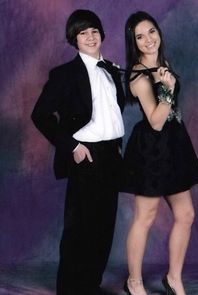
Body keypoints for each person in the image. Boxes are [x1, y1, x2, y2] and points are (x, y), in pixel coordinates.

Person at [31, 9, 125, 295]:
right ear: (74, 39)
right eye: (83, 33)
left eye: (94, 30)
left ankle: (90, 285)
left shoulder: (111, 70)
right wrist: (73, 145)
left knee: (104, 224)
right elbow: (41, 115)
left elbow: (112, 111)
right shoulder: (65, 74)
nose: (90, 36)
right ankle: (70, 289)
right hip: (85, 154)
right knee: (79, 226)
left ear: (102, 34)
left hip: (111, 155)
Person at [122, 11, 198, 295]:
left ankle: (173, 278)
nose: (148, 40)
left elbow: (169, 117)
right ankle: (134, 282)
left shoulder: (163, 62)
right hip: (152, 148)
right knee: (146, 216)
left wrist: (169, 90)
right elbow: (155, 121)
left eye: (151, 32)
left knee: (186, 214)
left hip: (174, 144)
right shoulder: (137, 74)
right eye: (140, 37)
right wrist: (168, 91)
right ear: (133, 43)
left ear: (159, 32)